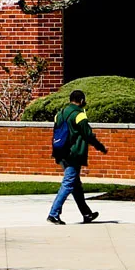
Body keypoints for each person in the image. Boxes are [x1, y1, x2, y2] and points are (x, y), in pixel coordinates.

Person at [48, 89, 105, 224]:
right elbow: (88, 134)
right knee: (68, 183)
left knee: (76, 185)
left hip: (60, 152)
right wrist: (100, 146)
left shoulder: (59, 114)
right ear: (81, 101)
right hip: (73, 154)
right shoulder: (79, 115)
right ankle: (53, 214)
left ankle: (87, 214)